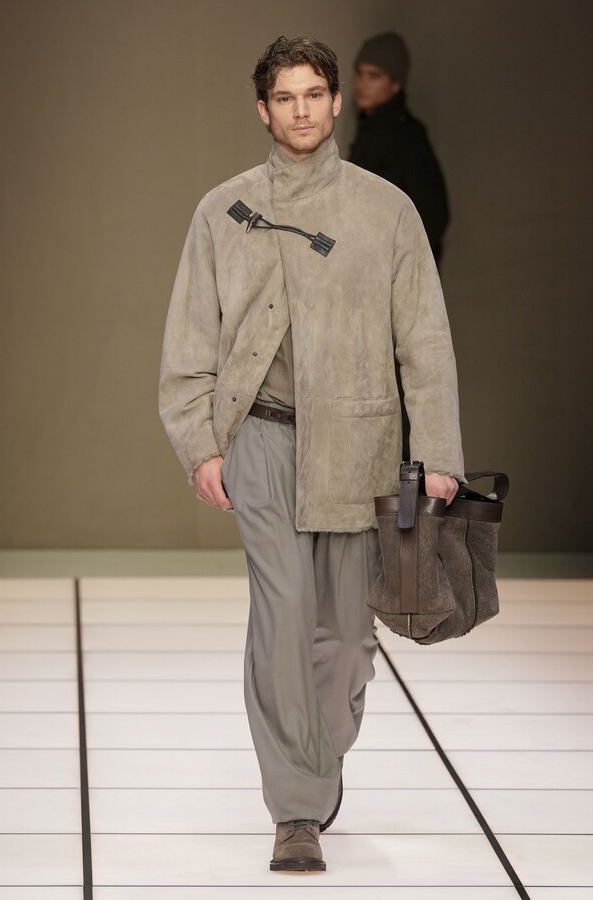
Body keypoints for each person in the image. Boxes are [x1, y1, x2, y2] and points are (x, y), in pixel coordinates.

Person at [160, 35, 463, 873]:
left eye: (314, 94)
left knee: (348, 638)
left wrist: (438, 452)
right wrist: (200, 443)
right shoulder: (223, 211)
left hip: (359, 444)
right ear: (263, 109)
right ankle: (296, 809)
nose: (301, 110)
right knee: (283, 616)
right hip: (259, 437)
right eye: (284, 97)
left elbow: (425, 343)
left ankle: (317, 761)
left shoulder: (385, 211)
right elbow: (190, 339)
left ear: (334, 103)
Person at [350, 32, 449, 266]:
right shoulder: (369, 131)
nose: (363, 84)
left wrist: (396, 266)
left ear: (395, 84)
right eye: (360, 74)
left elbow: (433, 215)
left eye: (374, 76)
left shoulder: (406, 136)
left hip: (394, 273)